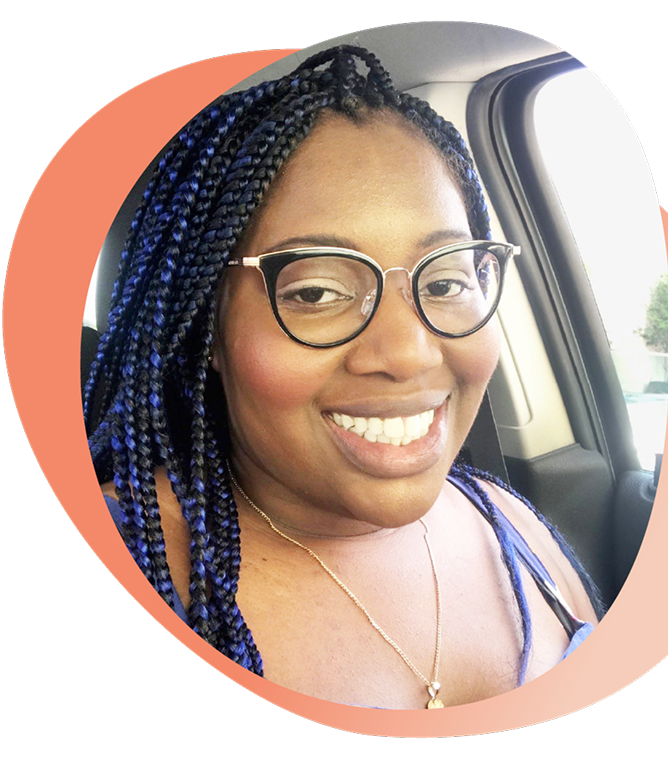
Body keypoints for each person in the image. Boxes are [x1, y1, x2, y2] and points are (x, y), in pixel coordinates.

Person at [86, 45, 603, 709]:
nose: (409, 353)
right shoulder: (131, 553)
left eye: (445, 280)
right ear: (208, 329)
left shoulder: (513, 524)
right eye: (317, 293)